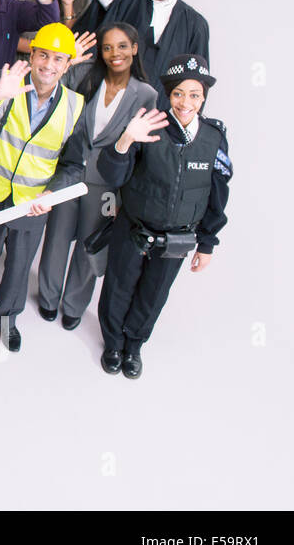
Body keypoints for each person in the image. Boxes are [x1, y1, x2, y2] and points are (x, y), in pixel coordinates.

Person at [95, 54, 231, 380]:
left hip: (178, 237)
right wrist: (126, 139)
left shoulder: (214, 138)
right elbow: (111, 174)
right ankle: (113, 344)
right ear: (169, 94)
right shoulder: (149, 126)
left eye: (194, 94)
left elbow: (218, 193)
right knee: (118, 287)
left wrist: (207, 243)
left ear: (203, 98)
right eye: (179, 93)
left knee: (154, 294)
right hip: (134, 228)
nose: (186, 102)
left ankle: (134, 346)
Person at [0, 25, 89, 352]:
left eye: (58, 59)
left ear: (68, 65)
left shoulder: (76, 105)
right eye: (43, 54)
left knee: (19, 263)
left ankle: (7, 318)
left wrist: (52, 194)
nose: (48, 64)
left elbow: (73, 165)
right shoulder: (6, 81)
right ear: (32, 55)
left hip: (33, 202)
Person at [36, 23, 157, 329]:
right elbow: (53, 86)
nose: (114, 53)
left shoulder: (145, 94)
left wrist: (124, 197)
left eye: (121, 46)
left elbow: (142, 152)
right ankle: (49, 298)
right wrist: (71, 61)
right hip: (70, 171)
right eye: (107, 47)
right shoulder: (86, 74)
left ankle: (74, 305)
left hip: (105, 186)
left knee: (88, 250)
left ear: (134, 48)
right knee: (56, 240)